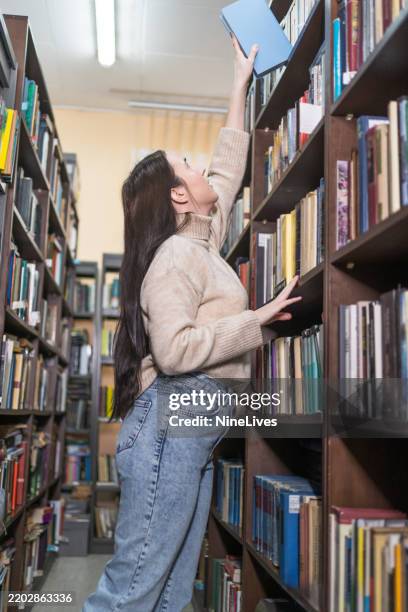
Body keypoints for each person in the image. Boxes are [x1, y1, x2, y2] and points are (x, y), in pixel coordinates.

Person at [82, 36, 301, 612]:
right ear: (180, 196)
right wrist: (257, 320)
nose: (200, 164)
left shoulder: (201, 244)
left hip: (194, 430)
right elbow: (175, 353)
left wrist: (239, 80)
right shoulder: (175, 258)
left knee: (174, 590)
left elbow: (227, 168)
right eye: (187, 165)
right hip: (171, 422)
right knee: (134, 589)